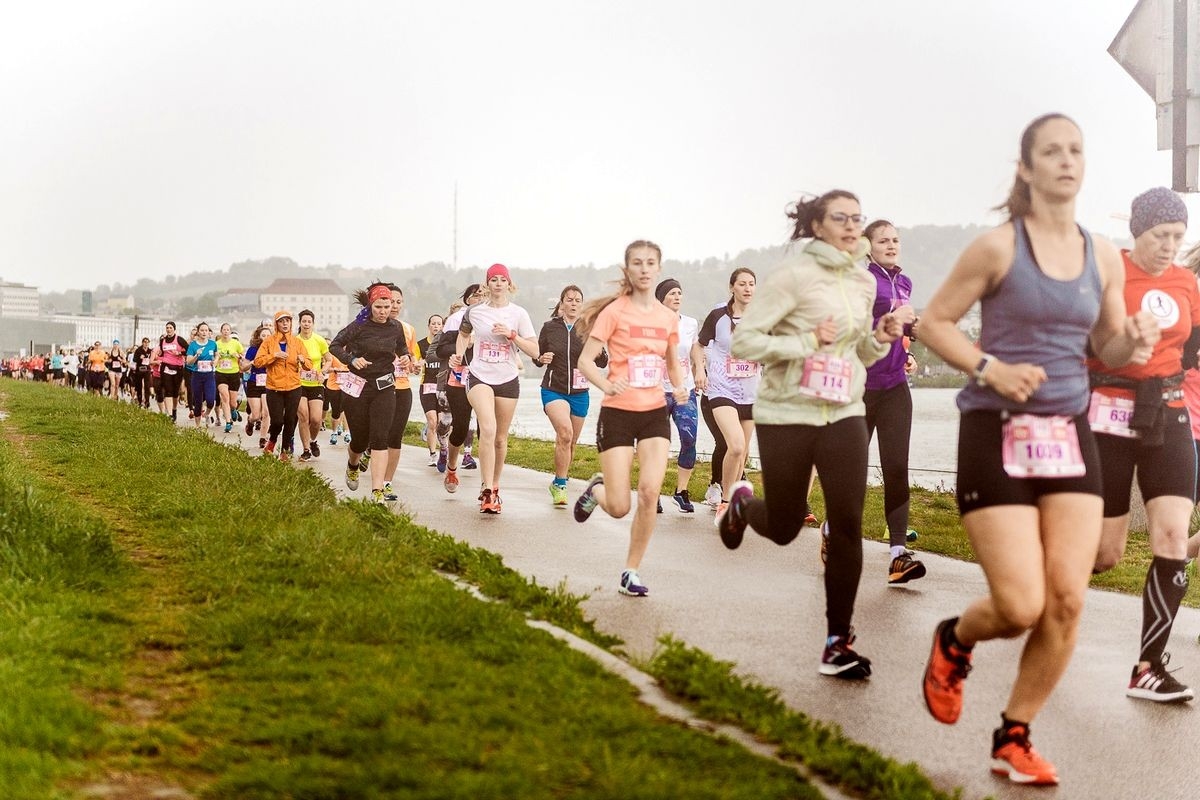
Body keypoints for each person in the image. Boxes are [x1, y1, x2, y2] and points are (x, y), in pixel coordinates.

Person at [915, 114, 1159, 785]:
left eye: (1076, 149)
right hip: (996, 429)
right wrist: (989, 367)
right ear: (1026, 169)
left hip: (1068, 433)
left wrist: (1130, 341)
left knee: (1067, 601)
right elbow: (933, 323)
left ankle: (1014, 734)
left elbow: (1105, 347)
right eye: (1051, 151)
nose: (1066, 160)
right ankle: (954, 639)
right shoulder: (997, 248)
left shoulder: (1103, 254)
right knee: (1020, 605)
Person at [716, 189, 900, 683]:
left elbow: (859, 353)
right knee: (783, 525)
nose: (850, 226)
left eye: (856, 219)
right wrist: (805, 342)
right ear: (817, 225)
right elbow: (747, 341)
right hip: (786, 412)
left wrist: (881, 335)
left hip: (844, 412)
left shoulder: (863, 284)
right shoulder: (792, 276)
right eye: (840, 218)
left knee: (846, 522)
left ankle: (837, 640)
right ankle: (741, 506)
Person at [1088, 187, 1198, 702]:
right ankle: (1038, 585)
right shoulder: (1112, 275)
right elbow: (1092, 345)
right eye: (1161, 235)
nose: (1170, 245)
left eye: (1178, 236)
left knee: (1174, 537)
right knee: (1105, 554)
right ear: (1138, 232)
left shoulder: (1185, 283)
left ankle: (1148, 666)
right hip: (1110, 409)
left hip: (1169, 413)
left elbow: (1193, 348)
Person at [573, 240, 687, 597]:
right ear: (629, 268)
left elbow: (670, 361)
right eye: (637, 263)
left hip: (654, 412)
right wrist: (607, 384)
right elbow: (585, 361)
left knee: (650, 493)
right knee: (621, 506)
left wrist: (681, 388)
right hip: (618, 413)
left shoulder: (668, 318)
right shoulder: (615, 312)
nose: (643, 268)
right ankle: (597, 489)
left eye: (650, 263)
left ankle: (631, 571)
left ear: (658, 268)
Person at [861, 219, 926, 585]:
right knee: (852, 469)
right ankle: (831, 529)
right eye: (882, 240)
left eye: (895, 239)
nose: (890, 244)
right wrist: (891, 321)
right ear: (868, 246)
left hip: (895, 387)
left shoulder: (904, 282)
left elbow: (900, 331)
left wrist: (907, 348)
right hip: (862, 387)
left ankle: (898, 553)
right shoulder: (861, 283)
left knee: (896, 466)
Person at [454, 264, 539, 513]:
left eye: (503, 279)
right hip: (479, 375)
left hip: (507, 378)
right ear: (487, 284)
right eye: (494, 279)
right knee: (487, 428)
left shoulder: (519, 314)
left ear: (509, 284)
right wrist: (459, 355)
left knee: (500, 439)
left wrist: (512, 335)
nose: (499, 283)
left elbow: (534, 351)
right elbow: (463, 335)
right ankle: (487, 491)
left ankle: (494, 485)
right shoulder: (474, 312)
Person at [329, 283, 411, 504]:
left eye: (388, 306)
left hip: (384, 386)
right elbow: (335, 346)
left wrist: (406, 357)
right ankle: (353, 464)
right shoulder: (358, 326)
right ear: (370, 305)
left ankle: (377, 490)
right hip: (357, 387)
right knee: (359, 439)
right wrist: (352, 360)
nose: (384, 311)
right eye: (379, 307)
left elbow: (402, 348)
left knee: (380, 438)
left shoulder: (395, 327)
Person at [536, 285, 608, 506]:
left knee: (572, 442)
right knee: (565, 434)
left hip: (579, 392)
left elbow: (602, 362)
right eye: (570, 299)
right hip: (553, 389)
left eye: (578, 300)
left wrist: (600, 350)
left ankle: (560, 478)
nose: (574, 303)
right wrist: (542, 358)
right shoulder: (549, 328)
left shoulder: (588, 329)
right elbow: (538, 357)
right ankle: (560, 484)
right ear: (562, 303)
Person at [698, 268, 759, 517]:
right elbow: (699, 345)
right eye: (742, 283)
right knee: (734, 445)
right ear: (732, 287)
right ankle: (724, 500)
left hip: (750, 391)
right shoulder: (718, 316)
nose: (747, 288)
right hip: (721, 388)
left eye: (752, 284)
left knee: (742, 451)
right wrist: (699, 372)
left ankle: (734, 497)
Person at [655, 278, 703, 513]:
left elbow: (696, 349)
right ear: (661, 298)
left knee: (689, 438)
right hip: (657, 392)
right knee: (656, 444)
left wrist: (701, 370)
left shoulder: (691, 324)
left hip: (685, 390)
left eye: (679, 293)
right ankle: (652, 492)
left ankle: (681, 492)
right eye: (671, 293)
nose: (676, 297)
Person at [436, 284, 487, 490]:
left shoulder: (494, 316)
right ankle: (452, 467)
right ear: (467, 300)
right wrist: (465, 344)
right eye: (475, 296)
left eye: (483, 295)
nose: (480, 298)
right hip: (459, 379)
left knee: (487, 428)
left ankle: (488, 482)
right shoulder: (456, 319)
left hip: (487, 378)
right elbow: (441, 349)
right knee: (461, 428)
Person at [253, 310, 311, 462]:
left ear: (291, 323)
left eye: (288, 321)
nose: (285, 324)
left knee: (290, 420)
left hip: (294, 387)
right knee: (278, 421)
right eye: (281, 321)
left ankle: (284, 451)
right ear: (276, 324)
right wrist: (274, 356)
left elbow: (309, 365)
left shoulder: (297, 342)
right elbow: (258, 362)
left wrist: (303, 360)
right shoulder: (269, 342)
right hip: (274, 387)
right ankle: (272, 441)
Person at [381, 286, 421, 502]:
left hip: (402, 386)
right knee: (376, 435)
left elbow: (413, 360)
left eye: (398, 302)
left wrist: (412, 364)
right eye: (390, 302)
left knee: (395, 436)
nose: (394, 306)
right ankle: (366, 451)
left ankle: (386, 483)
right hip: (378, 388)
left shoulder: (408, 329)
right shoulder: (371, 328)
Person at [295, 310, 331, 462]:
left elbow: (328, 359)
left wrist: (323, 371)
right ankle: (305, 449)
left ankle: (313, 440)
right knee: (304, 416)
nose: (306, 324)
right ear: (300, 323)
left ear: (313, 323)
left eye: (309, 321)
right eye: (304, 321)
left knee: (316, 419)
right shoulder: (294, 340)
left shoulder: (319, 340)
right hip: (299, 384)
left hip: (316, 383)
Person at [417, 314, 445, 465]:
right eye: (433, 324)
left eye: (439, 324)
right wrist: (417, 364)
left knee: (442, 423)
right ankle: (433, 454)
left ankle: (443, 450)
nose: (436, 326)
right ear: (429, 326)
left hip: (442, 388)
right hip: (426, 386)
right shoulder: (421, 344)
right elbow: (415, 362)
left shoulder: (445, 345)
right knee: (432, 421)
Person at [242, 324, 271, 448]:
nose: (266, 337)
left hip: (268, 383)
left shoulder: (274, 349)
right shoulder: (252, 349)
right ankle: (250, 421)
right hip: (254, 382)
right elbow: (243, 367)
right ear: (258, 337)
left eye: (268, 335)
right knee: (256, 415)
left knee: (266, 412)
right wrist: (252, 363)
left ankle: (263, 438)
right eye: (263, 335)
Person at [186, 323, 219, 428]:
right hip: (197, 375)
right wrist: (196, 356)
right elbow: (189, 362)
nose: (204, 332)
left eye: (206, 330)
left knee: (210, 400)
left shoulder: (212, 344)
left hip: (209, 375)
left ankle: (207, 414)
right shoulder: (193, 345)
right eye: (202, 330)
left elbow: (217, 355)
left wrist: (216, 361)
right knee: (198, 401)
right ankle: (198, 425)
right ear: (198, 332)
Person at [214, 323, 245, 433]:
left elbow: (243, 356)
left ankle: (233, 410)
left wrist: (237, 356)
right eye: (224, 329)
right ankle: (228, 422)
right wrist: (217, 358)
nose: (226, 331)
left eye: (228, 330)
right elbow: (213, 356)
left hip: (234, 373)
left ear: (230, 332)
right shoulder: (216, 344)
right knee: (224, 397)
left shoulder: (236, 343)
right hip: (221, 373)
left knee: (233, 402)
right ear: (221, 331)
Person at [156, 322, 188, 421]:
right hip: (165, 367)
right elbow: (161, 352)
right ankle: (169, 414)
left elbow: (188, 350)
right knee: (168, 390)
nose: (169, 329)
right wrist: (159, 355)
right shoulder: (163, 340)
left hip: (177, 368)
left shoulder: (179, 339)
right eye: (167, 328)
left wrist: (179, 353)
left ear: (174, 329)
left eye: (170, 328)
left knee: (175, 392)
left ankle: (174, 409)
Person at [130, 337, 153, 408]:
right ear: (142, 343)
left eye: (147, 342)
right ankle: (140, 401)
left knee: (147, 386)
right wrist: (139, 358)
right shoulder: (138, 350)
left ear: (149, 343)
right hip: (139, 370)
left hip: (147, 370)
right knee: (139, 386)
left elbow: (152, 359)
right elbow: (134, 359)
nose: (146, 344)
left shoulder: (150, 351)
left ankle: (147, 401)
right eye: (145, 342)